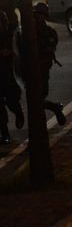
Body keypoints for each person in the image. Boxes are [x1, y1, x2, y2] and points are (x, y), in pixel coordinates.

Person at [23, 3, 66, 126]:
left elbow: (49, 49)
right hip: (30, 68)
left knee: (39, 97)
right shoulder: (27, 32)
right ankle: (54, 108)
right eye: (36, 15)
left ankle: (54, 109)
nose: (37, 18)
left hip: (43, 68)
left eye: (40, 15)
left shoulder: (49, 32)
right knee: (34, 98)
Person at [0, 11, 24, 144]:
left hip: (9, 75)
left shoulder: (11, 37)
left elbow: (18, 53)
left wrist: (9, 52)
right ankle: (4, 133)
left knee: (11, 101)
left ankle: (18, 112)